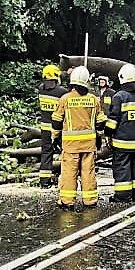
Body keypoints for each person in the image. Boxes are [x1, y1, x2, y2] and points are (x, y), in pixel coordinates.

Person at [51, 65, 107, 209]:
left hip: (70, 146)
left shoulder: (65, 99)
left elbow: (56, 120)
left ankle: (67, 201)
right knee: (88, 173)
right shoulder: (94, 99)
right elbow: (101, 122)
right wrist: (99, 137)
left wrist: (55, 137)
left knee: (69, 173)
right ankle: (90, 201)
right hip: (89, 145)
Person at [105, 64, 135, 202]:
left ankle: (123, 195)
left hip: (123, 142)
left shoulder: (119, 97)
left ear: (122, 78)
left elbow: (113, 121)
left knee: (122, 166)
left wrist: (107, 133)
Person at [38, 64, 68, 188]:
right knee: (66, 152)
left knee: (46, 152)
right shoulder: (61, 92)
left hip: (44, 128)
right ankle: (65, 178)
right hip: (58, 128)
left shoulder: (41, 88)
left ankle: (44, 181)